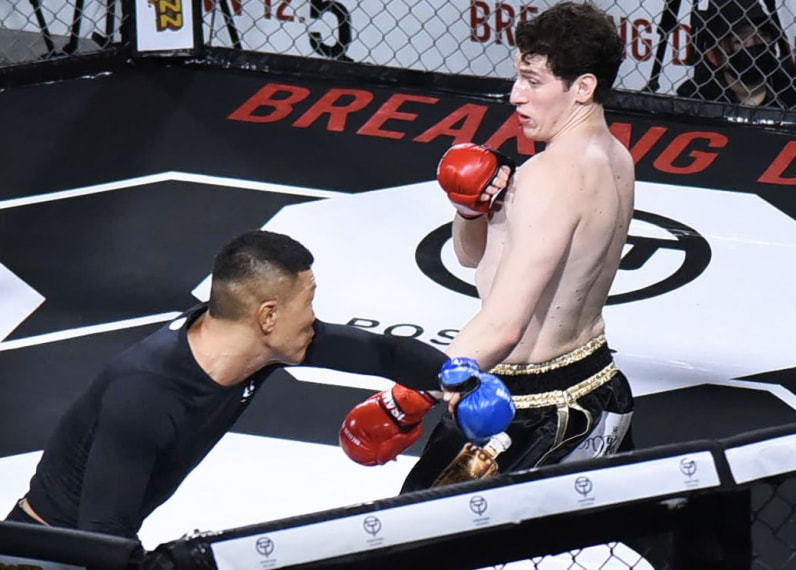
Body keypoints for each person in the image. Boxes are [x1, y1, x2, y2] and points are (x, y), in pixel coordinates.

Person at [4, 229, 454, 540]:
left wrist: (459, 381)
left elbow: (384, 353)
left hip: (100, 539)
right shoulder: (146, 395)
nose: (313, 316)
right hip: (47, 551)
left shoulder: (255, 344)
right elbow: (100, 536)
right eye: (308, 301)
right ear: (268, 315)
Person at [401, 1, 636, 492]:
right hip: (598, 384)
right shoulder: (618, 158)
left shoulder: (546, 176)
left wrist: (410, 396)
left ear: (583, 87)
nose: (515, 95)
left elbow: (504, 325)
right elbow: (473, 258)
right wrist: (472, 210)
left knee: (416, 527)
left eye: (533, 81)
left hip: (526, 411)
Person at [677, 0, 796, 109]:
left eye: (762, 36)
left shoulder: (794, 89)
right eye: (739, 41)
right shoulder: (694, 100)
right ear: (714, 57)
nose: (754, 44)